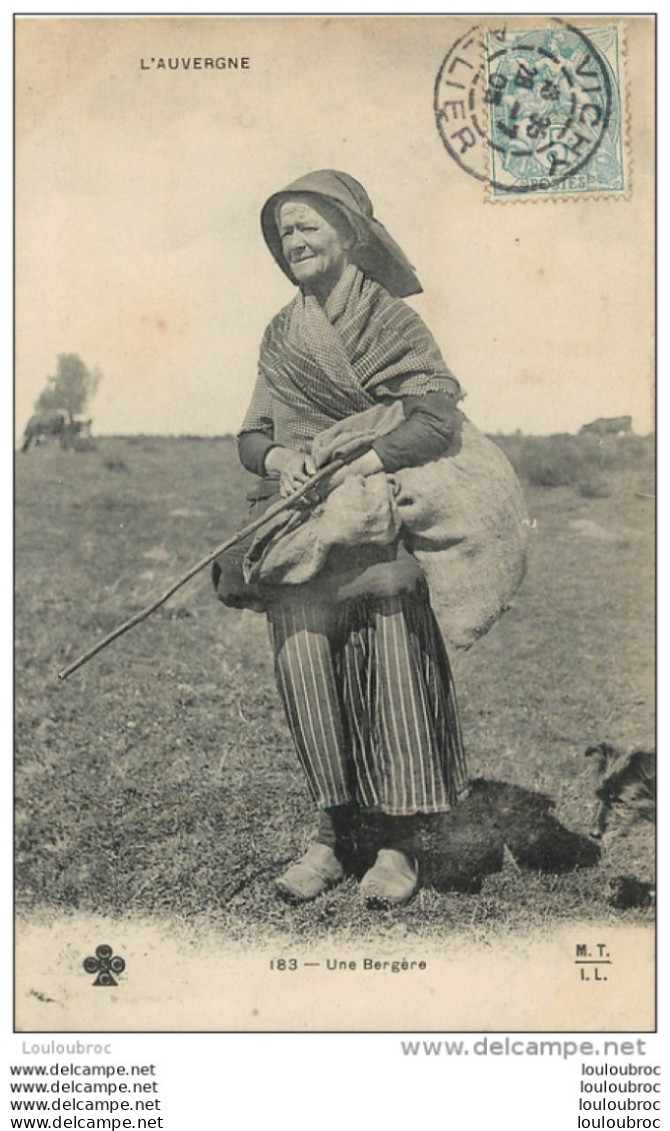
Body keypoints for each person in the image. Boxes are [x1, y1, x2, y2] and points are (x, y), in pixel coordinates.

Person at [220, 169, 470, 908]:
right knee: (306, 675)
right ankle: (332, 834)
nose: (293, 240)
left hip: (370, 531)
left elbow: (436, 420)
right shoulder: (282, 333)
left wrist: (363, 457)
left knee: (388, 676)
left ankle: (397, 843)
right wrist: (279, 459)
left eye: (307, 226)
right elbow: (250, 433)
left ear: (350, 233)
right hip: (296, 531)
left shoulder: (392, 323)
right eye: (284, 231)